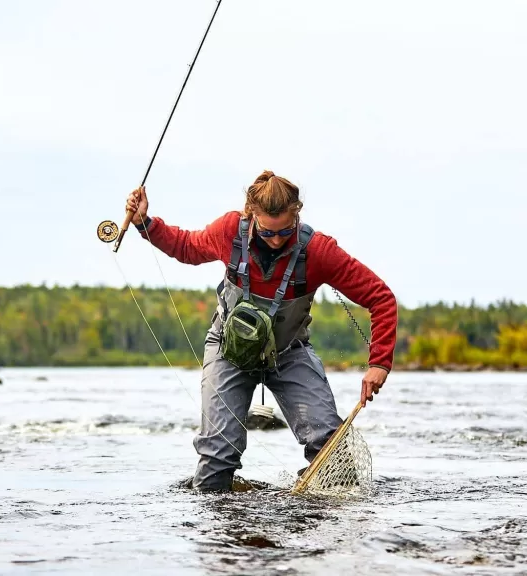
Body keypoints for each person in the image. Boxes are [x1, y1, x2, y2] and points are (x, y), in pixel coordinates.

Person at [125, 170, 398, 492]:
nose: (278, 239)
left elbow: (381, 298)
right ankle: (218, 532)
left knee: (328, 442)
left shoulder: (319, 251)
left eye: (286, 230)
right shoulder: (228, 230)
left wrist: (379, 363)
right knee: (218, 451)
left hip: (289, 353)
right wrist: (145, 223)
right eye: (268, 233)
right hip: (228, 350)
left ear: (297, 215)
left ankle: (327, 524)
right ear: (250, 214)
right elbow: (186, 247)